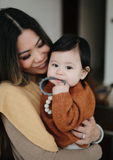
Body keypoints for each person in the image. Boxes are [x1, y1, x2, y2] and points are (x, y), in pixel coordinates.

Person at [0, 7, 103, 160]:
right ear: (10, 60)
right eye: (26, 55)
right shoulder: (9, 93)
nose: (40, 57)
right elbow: (42, 157)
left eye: (41, 44)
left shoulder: (64, 70)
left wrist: (97, 133)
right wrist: (97, 151)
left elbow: (86, 118)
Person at [40, 33, 96, 150]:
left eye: (69, 67)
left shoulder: (80, 93)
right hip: (56, 140)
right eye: (55, 65)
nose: (59, 72)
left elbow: (65, 123)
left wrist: (61, 95)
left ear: (83, 73)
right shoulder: (51, 84)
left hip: (73, 143)